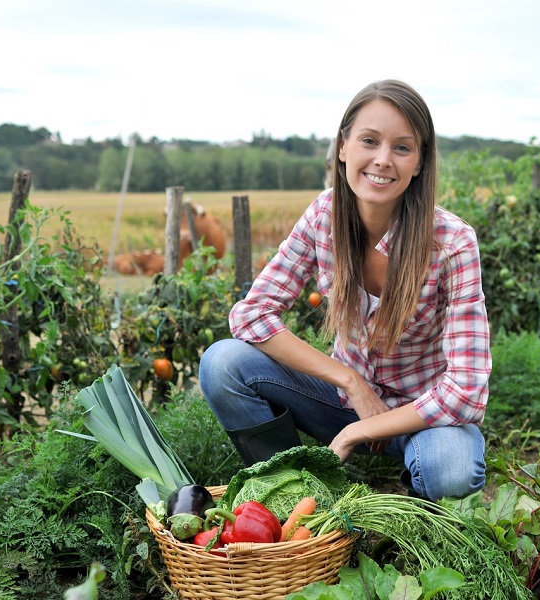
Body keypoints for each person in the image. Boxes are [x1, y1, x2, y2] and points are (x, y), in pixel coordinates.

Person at [199, 79, 491, 500]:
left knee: (448, 470)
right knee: (222, 363)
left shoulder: (452, 243)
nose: (383, 160)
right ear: (342, 147)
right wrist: (351, 381)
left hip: (423, 417)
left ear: (420, 162)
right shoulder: (324, 216)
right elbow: (251, 315)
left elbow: (466, 391)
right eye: (369, 141)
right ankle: (299, 492)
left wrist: (362, 429)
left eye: (402, 148)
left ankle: (413, 507)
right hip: (338, 403)